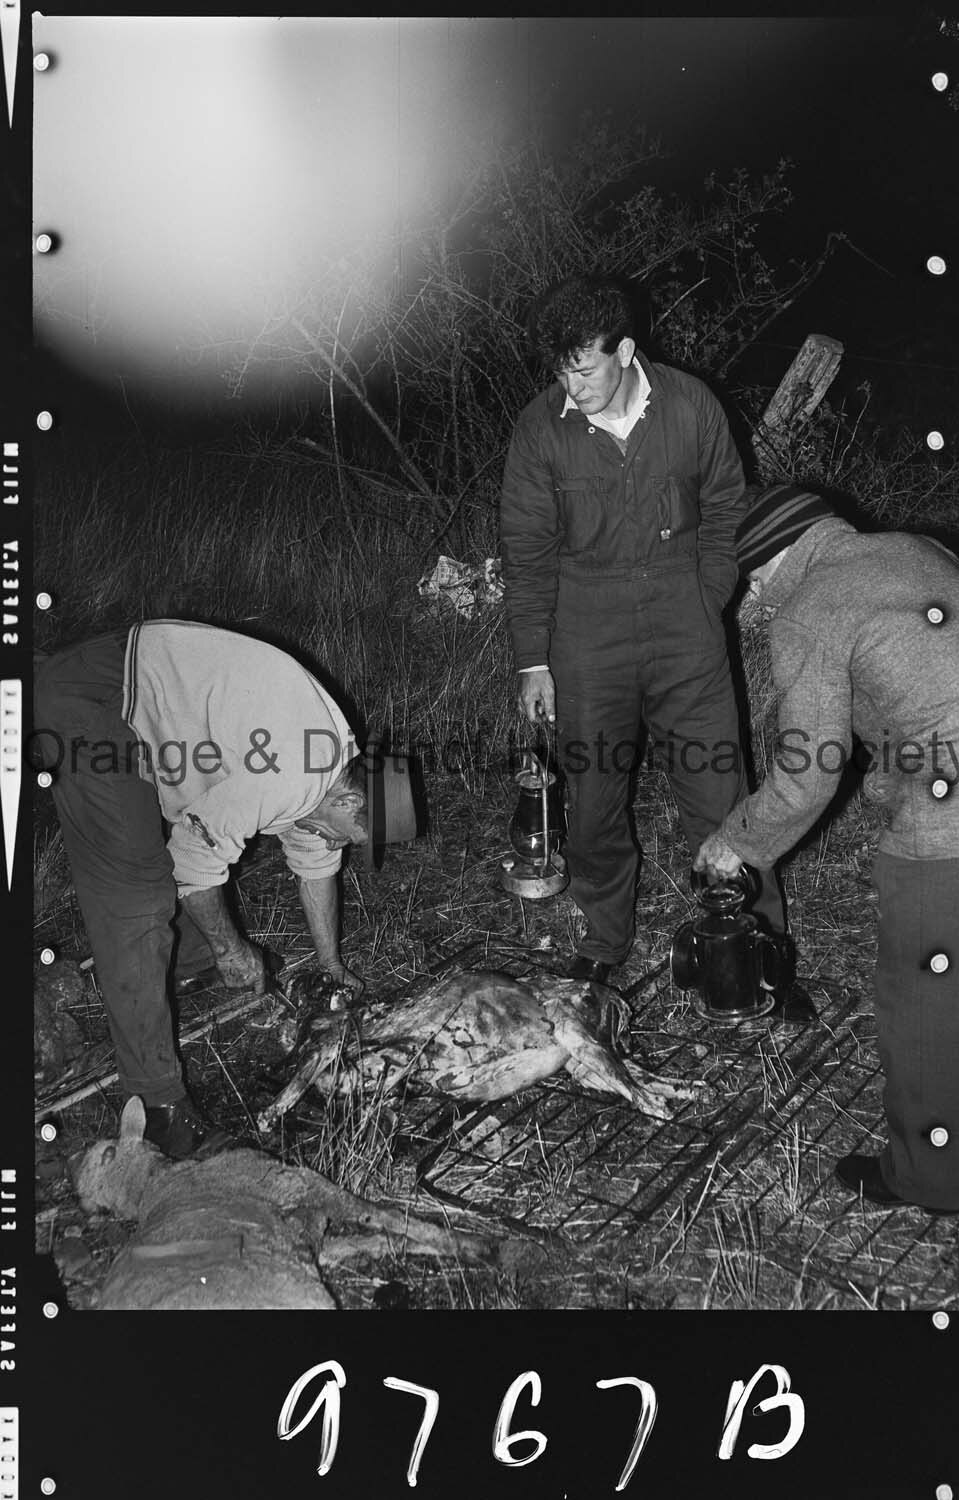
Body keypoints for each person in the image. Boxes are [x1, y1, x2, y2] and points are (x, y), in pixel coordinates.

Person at [695, 484, 959, 1216]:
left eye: (751, 584)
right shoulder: (916, 548)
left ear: (772, 566)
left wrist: (737, 842)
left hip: (956, 824)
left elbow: (807, 768)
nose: (752, 602)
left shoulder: (806, 606)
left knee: (923, 1006)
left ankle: (927, 1179)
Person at [499, 273, 786, 985]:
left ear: (625, 350)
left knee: (721, 795)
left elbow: (725, 508)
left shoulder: (689, 405)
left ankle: (756, 952)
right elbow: (527, 554)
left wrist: (706, 594)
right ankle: (604, 942)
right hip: (585, 632)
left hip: (683, 623)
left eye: (585, 365)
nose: (573, 383)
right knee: (593, 802)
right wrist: (532, 658)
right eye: (560, 367)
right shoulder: (540, 428)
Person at [33, 619, 412, 1159]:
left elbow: (316, 856)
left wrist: (331, 965)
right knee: (136, 898)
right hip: (98, 702)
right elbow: (195, 855)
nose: (341, 844)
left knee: (180, 853)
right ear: (351, 803)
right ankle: (158, 1109)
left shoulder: (329, 771)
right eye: (353, 835)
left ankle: (187, 963)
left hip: (149, 705)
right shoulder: (296, 770)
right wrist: (231, 947)